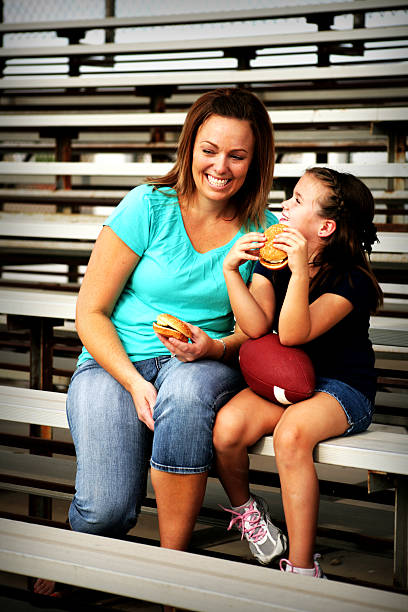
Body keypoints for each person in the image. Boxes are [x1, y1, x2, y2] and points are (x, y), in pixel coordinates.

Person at [34, 87, 278, 598]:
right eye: (209, 150)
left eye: (237, 155)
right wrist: (132, 382)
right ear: (189, 147)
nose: (221, 166)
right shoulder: (148, 204)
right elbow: (90, 311)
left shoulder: (265, 230)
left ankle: (174, 569)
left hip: (205, 361)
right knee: (108, 509)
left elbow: (257, 332)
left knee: (188, 394)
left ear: (256, 161)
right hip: (112, 362)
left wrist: (214, 347)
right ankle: (84, 544)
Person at [213, 166, 382, 578]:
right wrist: (232, 272)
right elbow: (255, 327)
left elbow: (291, 334)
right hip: (291, 381)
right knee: (227, 427)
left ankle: (304, 567)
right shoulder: (275, 261)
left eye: (298, 201)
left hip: (343, 388)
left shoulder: (351, 279)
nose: (284, 206)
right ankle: (250, 513)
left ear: (325, 226)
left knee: (291, 435)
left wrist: (300, 271)